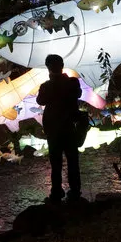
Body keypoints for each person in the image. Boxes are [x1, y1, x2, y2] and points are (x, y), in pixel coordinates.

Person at [36, 54, 82, 203]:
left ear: (48, 68)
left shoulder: (46, 86)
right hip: (70, 126)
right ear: (62, 65)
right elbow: (77, 94)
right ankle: (74, 191)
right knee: (72, 160)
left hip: (53, 128)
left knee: (55, 162)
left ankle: (56, 192)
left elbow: (40, 100)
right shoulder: (72, 83)